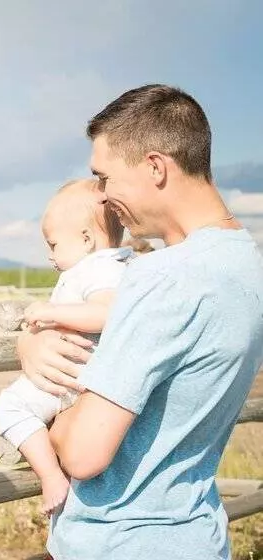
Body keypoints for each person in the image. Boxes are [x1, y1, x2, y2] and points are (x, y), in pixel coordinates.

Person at [17, 84, 263, 559]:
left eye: (104, 177)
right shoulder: (245, 264)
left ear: (155, 166)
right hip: (196, 537)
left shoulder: (164, 278)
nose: (104, 198)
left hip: (121, 542)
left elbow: (85, 454)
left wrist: (48, 396)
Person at [0, 178, 131, 515]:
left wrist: (53, 312)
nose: (49, 254)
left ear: (85, 239)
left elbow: (106, 312)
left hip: (72, 372)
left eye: (53, 244)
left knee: (9, 408)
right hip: (73, 371)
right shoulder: (105, 268)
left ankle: (51, 475)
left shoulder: (101, 269)